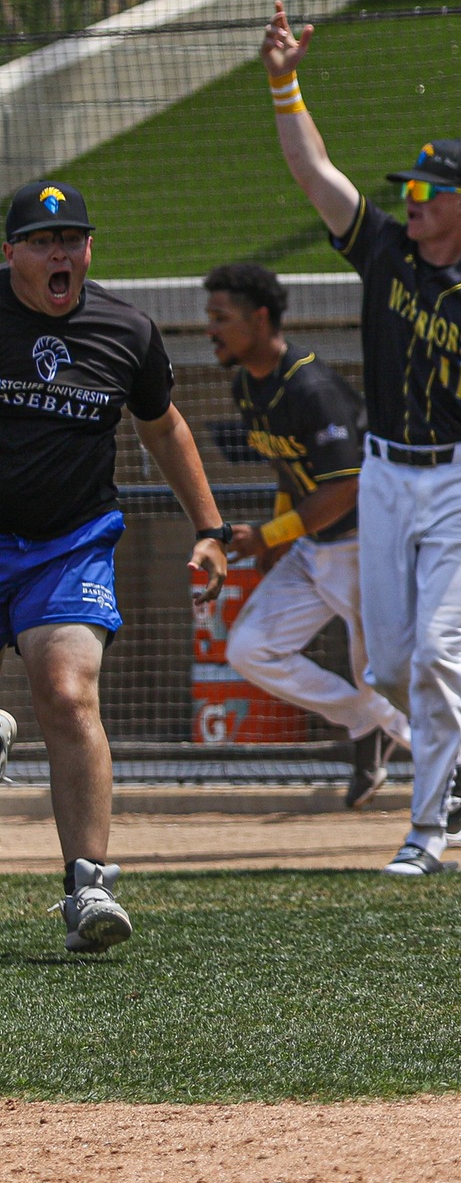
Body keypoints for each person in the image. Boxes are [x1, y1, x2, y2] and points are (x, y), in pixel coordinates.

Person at [263, 1, 461, 876]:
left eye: (424, 192)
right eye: (406, 191)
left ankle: (427, 830)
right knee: (387, 665)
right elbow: (314, 172)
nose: (408, 202)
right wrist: (284, 80)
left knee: (436, 649)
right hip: (388, 475)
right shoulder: (385, 251)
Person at [3, 180, 230, 950]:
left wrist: (211, 529)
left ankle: (88, 888)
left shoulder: (125, 331)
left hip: (68, 543)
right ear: (10, 254)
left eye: (73, 238)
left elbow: (163, 430)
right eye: (41, 240)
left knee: (67, 694)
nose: (60, 252)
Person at [204, 261, 411, 808]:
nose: (211, 329)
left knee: (384, 677)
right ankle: (367, 726)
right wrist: (277, 537)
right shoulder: (248, 386)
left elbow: (345, 486)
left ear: (261, 318)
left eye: (221, 317)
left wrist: (272, 533)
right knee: (250, 648)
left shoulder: (311, 385)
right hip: (313, 544)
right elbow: (289, 468)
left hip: (367, 546)